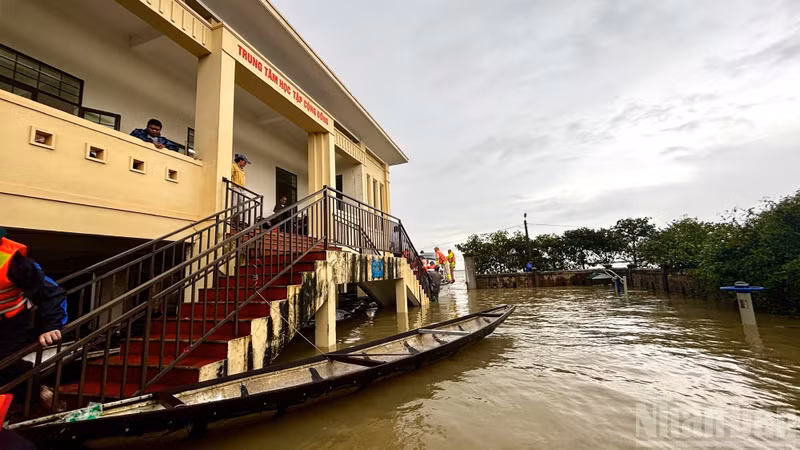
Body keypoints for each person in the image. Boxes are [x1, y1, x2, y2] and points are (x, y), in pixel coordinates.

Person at [0, 229, 67, 405]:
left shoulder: (15, 261)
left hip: (11, 322)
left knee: (5, 363)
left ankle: (38, 394)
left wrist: (51, 325)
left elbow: (51, 293)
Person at [230, 154, 251, 227]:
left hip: (242, 189)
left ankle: (242, 221)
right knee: (234, 204)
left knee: (244, 206)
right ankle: (231, 220)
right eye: (245, 162)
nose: (246, 164)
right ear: (241, 161)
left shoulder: (241, 170)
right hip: (235, 187)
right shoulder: (233, 166)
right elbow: (230, 175)